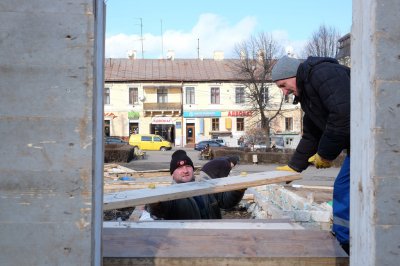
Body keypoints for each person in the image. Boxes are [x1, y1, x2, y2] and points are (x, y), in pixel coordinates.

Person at [271, 55, 350, 254]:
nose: (283, 92)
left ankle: (347, 241)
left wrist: (325, 154)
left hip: (376, 141)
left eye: (283, 85)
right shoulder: (308, 94)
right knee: (347, 189)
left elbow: (342, 115)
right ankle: (346, 237)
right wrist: (294, 166)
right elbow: (312, 134)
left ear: (293, 75)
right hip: (360, 144)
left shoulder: (323, 74)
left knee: (344, 189)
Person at [145, 150, 245, 220]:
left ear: (193, 169)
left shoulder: (206, 187)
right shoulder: (171, 196)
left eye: (188, 166)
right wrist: (154, 203)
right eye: (179, 168)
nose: (185, 171)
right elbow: (160, 211)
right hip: (189, 245)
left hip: (214, 239)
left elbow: (226, 202)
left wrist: (238, 190)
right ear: (172, 174)